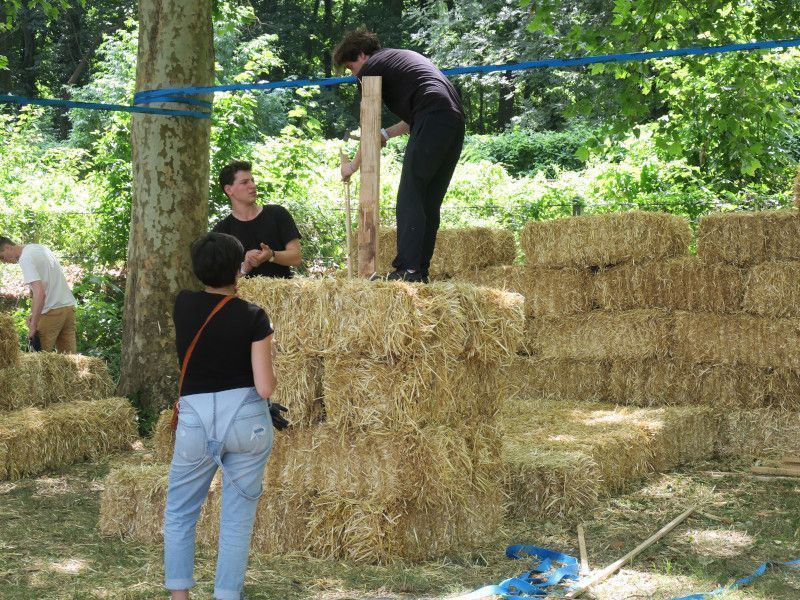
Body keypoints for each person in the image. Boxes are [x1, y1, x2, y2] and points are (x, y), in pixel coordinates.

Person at [163, 232, 287, 600]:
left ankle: (179, 596)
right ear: (237, 269)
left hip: (196, 420)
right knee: (236, 521)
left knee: (181, 513)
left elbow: (217, 289)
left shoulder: (183, 304)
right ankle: (227, 595)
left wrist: (235, 268)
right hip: (246, 419)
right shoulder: (253, 316)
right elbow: (265, 388)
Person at [334, 29, 465, 283]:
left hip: (433, 116)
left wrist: (352, 166)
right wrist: (385, 134)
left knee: (410, 194)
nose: (354, 75)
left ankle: (408, 270)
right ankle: (420, 271)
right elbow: (412, 118)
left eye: (351, 67)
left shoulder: (371, 67)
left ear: (362, 54)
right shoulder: (401, 59)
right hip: (452, 120)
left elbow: (368, 123)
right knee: (427, 199)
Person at [213, 161, 302, 279]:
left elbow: (296, 258)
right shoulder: (221, 231)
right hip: (241, 296)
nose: (253, 186)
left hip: (283, 294)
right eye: (244, 182)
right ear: (229, 190)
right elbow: (219, 279)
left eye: (252, 180)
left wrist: (271, 255)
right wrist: (245, 266)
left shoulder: (278, 214)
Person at [0, 236, 76, 352]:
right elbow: (46, 283)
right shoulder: (39, 248)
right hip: (68, 308)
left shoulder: (25, 258)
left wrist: (33, 326)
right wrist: (33, 313)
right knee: (69, 360)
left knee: (38, 361)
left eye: (2, 257)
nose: (4, 262)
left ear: (8, 247)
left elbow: (40, 293)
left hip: (51, 313)